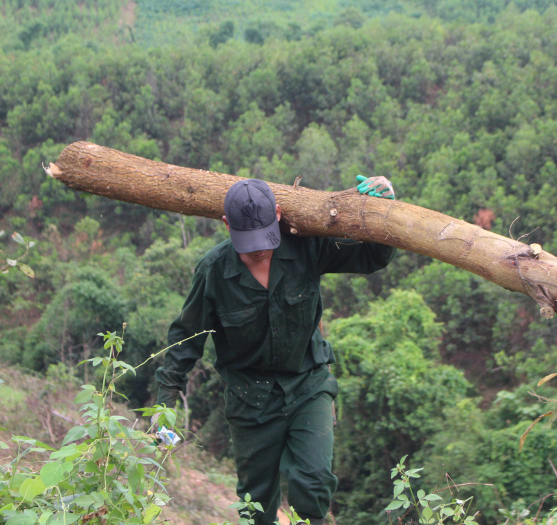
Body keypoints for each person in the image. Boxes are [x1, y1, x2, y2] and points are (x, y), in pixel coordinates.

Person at [154, 175, 396, 525]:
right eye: (248, 241)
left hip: (307, 385)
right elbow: (185, 338)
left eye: (265, 237)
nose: (258, 249)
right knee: (256, 506)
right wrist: (165, 406)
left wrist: (385, 205)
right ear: (226, 224)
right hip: (250, 399)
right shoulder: (214, 271)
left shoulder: (307, 248)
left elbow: (373, 257)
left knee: (313, 485)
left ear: (279, 214)